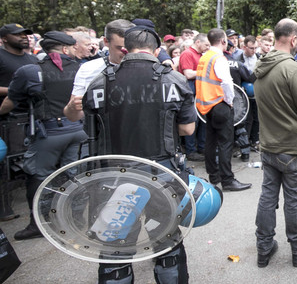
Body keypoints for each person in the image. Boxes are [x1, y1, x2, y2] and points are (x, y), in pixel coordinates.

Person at [67, 24, 196, 283]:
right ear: (156, 50)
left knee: (115, 246)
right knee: (166, 241)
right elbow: (187, 128)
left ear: (125, 49)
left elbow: (89, 128)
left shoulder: (100, 81)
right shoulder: (174, 80)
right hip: (162, 175)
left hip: (111, 176)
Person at [5, 32, 87, 240]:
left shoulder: (31, 71)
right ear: (66, 49)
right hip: (78, 129)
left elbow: (12, 100)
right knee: (73, 175)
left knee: (38, 176)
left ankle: (38, 225)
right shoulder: (81, 68)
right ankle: (77, 220)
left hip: (49, 132)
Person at [253, 19, 297, 269]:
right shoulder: (292, 69)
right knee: (293, 200)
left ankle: (263, 247)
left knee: (267, 198)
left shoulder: (261, 65)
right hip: (292, 148)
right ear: (293, 40)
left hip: (268, 146)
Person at [195, 29, 251, 192]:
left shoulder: (204, 57)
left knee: (211, 142)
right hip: (220, 103)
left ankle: (214, 176)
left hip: (207, 105)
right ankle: (228, 180)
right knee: (226, 142)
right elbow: (226, 82)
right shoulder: (219, 58)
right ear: (223, 41)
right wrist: (229, 101)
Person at [0, 23, 37, 222]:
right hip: (6, 116)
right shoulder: (1, 57)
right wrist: (17, 89)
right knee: (4, 164)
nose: (24, 37)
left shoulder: (31, 59)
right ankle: (3, 207)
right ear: (4, 38)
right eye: (18, 35)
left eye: (25, 34)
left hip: (30, 115)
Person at [178, 33, 210, 161]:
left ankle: (202, 146)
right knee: (193, 121)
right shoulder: (187, 54)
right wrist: (207, 72)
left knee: (203, 120)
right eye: (206, 44)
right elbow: (188, 73)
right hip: (190, 92)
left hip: (200, 92)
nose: (208, 47)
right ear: (198, 42)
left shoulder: (200, 55)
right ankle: (191, 150)